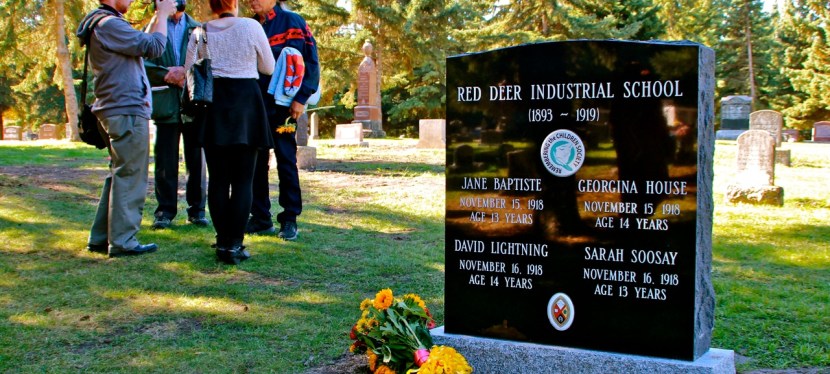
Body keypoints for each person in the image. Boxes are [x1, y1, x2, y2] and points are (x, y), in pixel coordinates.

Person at [77, 0, 177, 257]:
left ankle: (101, 237)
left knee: (119, 173)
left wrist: (156, 17)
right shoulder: (109, 24)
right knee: (131, 175)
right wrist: (163, 15)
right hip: (126, 109)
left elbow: (141, 43)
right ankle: (123, 241)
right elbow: (154, 47)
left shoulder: (102, 23)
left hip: (114, 107)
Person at [184, 0, 275, 264]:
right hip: (246, 103)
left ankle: (223, 241)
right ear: (234, 2)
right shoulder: (251, 27)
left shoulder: (199, 31)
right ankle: (235, 244)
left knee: (219, 179)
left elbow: (190, 69)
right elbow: (268, 67)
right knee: (244, 180)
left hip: (213, 104)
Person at [246, 0, 320, 241]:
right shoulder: (250, 26)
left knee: (286, 158)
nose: (252, 0)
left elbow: (310, 62)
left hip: (284, 109)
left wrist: (301, 98)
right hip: (255, 108)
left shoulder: (292, 22)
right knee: (256, 162)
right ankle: (260, 217)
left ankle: (289, 218)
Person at [143, 0, 209, 229]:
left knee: (196, 159)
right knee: (165, 160)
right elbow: (141, 62)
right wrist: (165, 74)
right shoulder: (152, 28)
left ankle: (197, 211)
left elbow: (207, 63)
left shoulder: (198, 29)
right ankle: (164, 211)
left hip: (193, 103)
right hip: (165, 104)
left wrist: (186, 73)